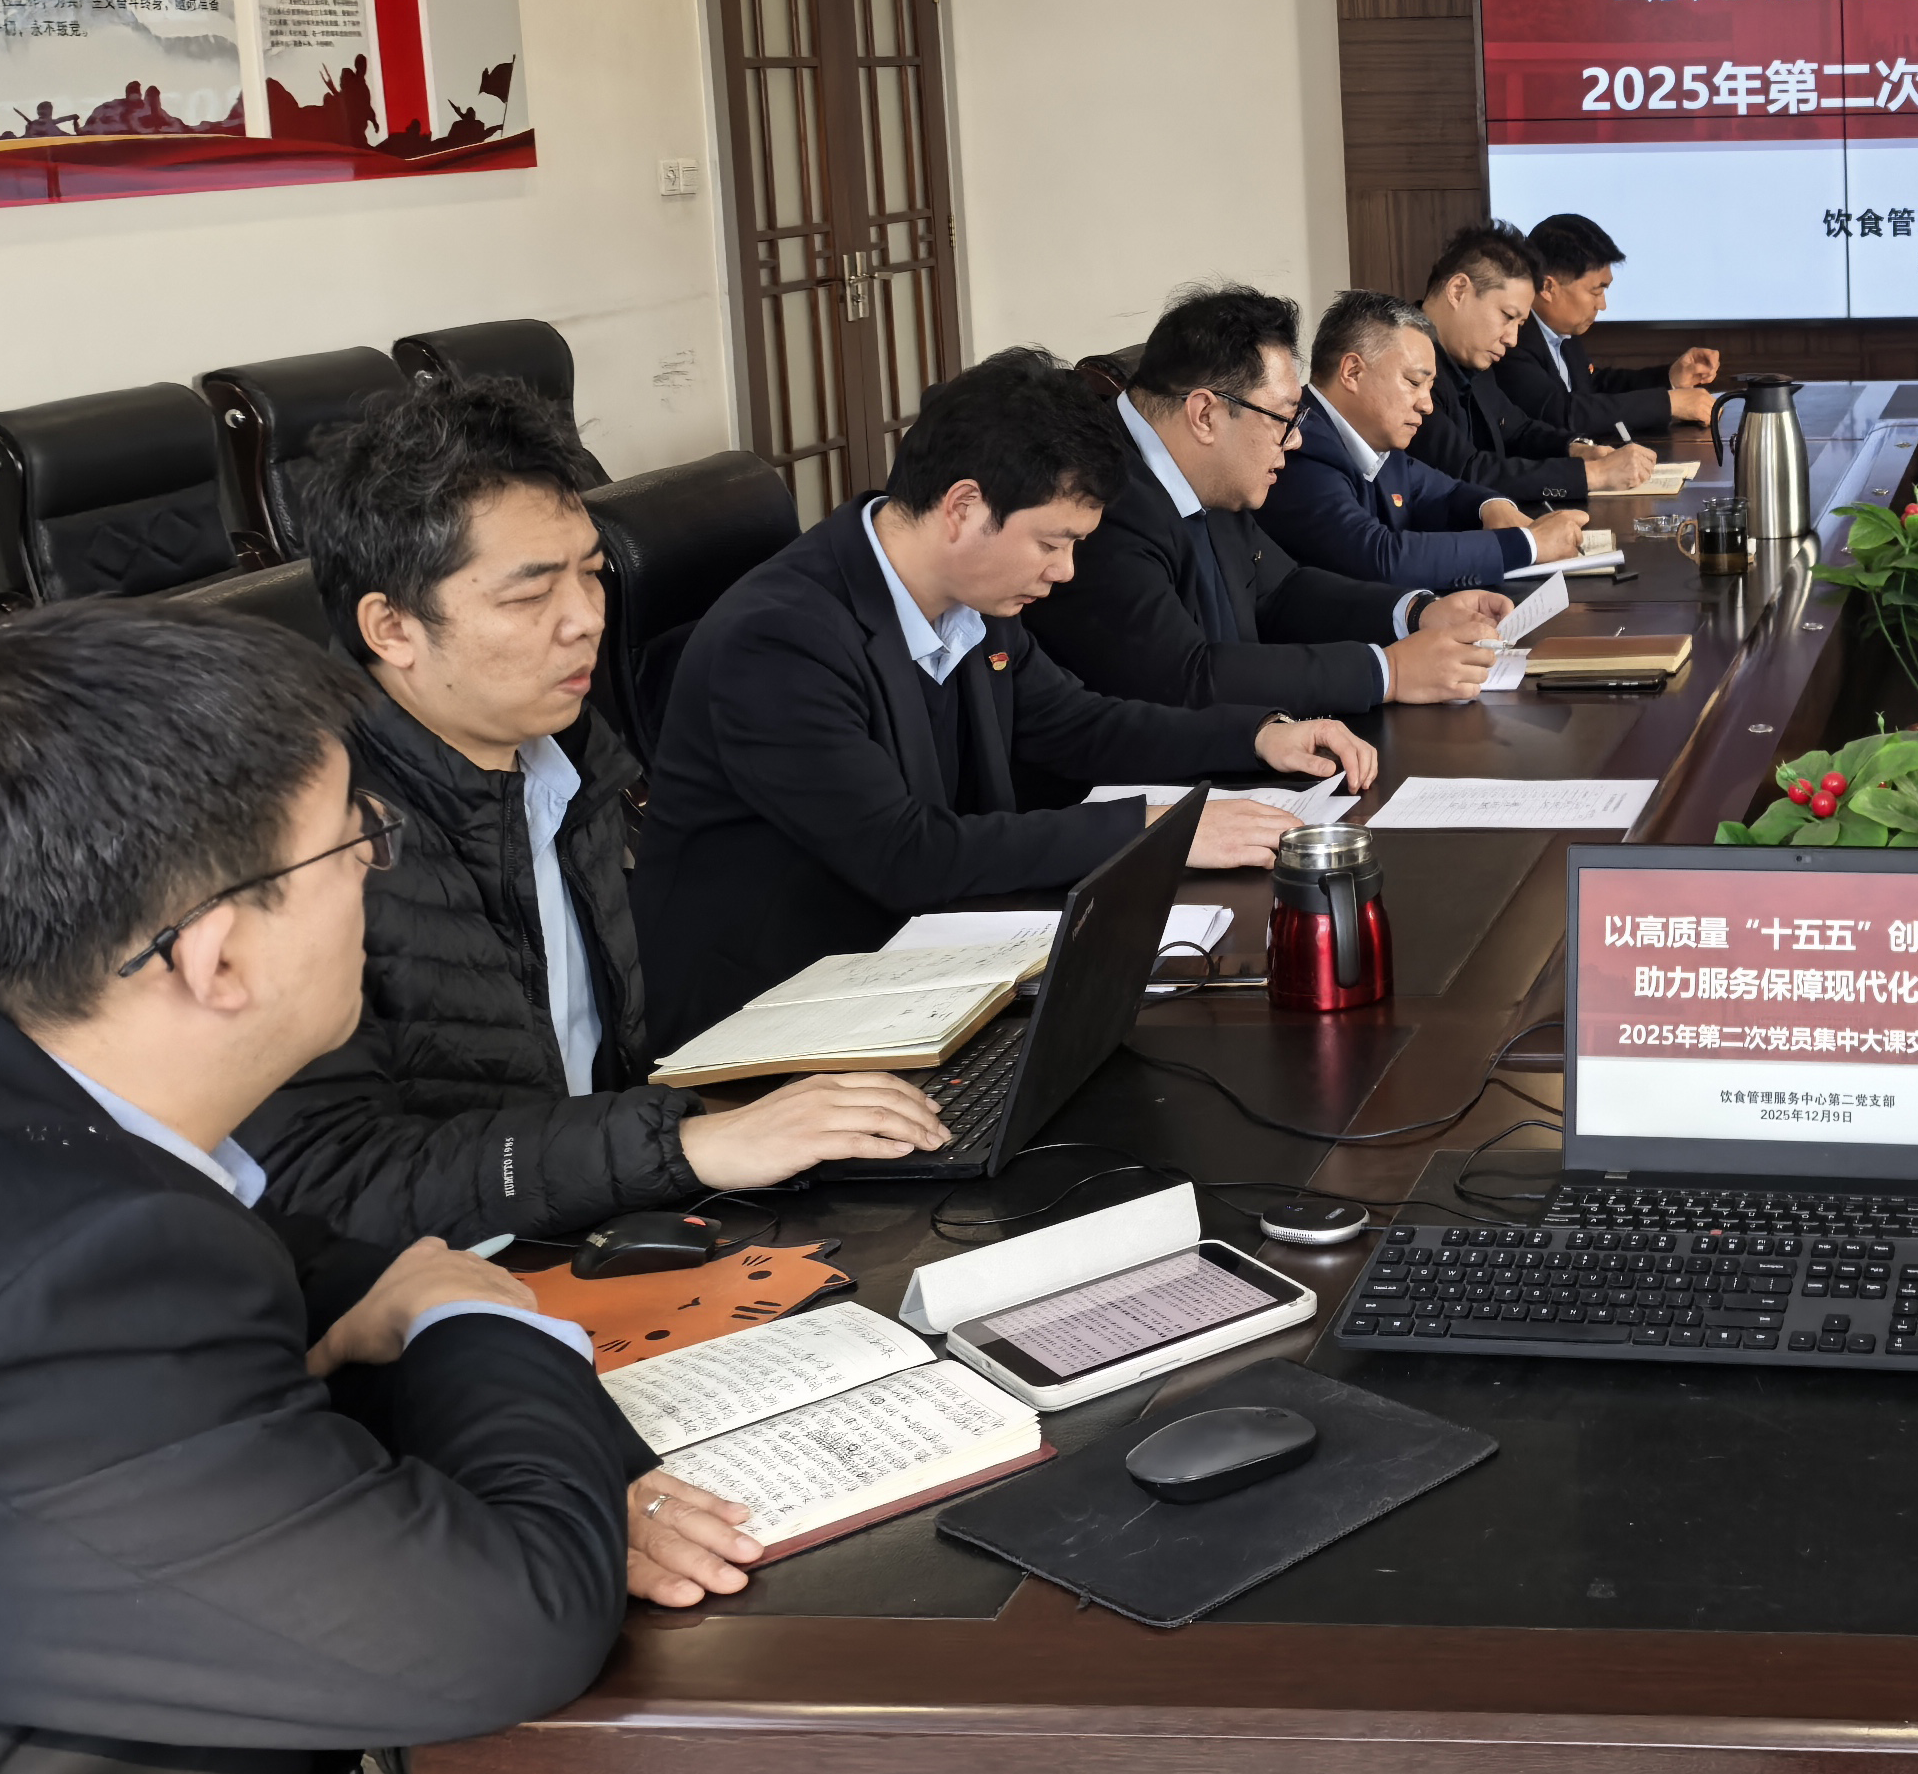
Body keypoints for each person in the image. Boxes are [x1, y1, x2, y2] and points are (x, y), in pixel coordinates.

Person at [0, 604, 740, 1774]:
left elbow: (292, 1259)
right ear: (215, 957)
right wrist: (473, 1316)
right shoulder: (59, 1285)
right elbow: (509, 1630)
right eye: (355, 842)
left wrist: (402, 1327)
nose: (374, 867)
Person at [251, 379, 947, 1243]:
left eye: (591, 574)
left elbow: (595, 1073)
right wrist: (683, 1145)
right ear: (391, 629)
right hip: (454, 1282)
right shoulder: (303, 845)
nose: (585, 619)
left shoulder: (568, 757)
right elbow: (328, 1184)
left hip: (597, 1224)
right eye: (529, 595)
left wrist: (746, 1118)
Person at [632, 349, 1374, 1048]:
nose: (1067, 571)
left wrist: (1255, 736)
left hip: (925, 962)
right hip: (776, 1015)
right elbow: (904, 853)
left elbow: (1076, 724)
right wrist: (1150, 829)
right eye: (1052, 543)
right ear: (963, 507)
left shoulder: (973, 598)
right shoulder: (779, 640)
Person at [1027, 285, 1511, 712]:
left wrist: (1416, 612)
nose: (1295, 440)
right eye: (1283, 418)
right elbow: (1182, 677)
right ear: (1205, 415)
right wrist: (1388, 672)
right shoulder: (1095, 499)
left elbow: (1281, 590)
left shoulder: (1211, 472)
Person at [1269, 291, 1595, 592]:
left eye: (1430, 387)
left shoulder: (1376, 439)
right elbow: (1378, 558)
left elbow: (1445, 492)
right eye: (1414, 382)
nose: (1427, 405)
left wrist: (1494, 507)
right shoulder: (1298, 443)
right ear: (1352, 372)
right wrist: (1529, 544)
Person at [1410, 220, 1654, 510]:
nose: (1512, 338)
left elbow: (1517, 430)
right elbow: (1466, 473)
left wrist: (1577, 450)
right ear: (1458, 291)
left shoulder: (1469, 355)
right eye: (1507, 316)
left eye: (1520, 323)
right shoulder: (1406, 365)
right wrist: (1593, 475)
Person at [1508, 212, 1720, 445]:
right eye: (1596, 291)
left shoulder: (1562, 331)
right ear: (1548, 287)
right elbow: (1561, 414)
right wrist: (1668, 404)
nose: (1603, 305)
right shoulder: (1511, 338)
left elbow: (1594, 388)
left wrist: (1670, 378)